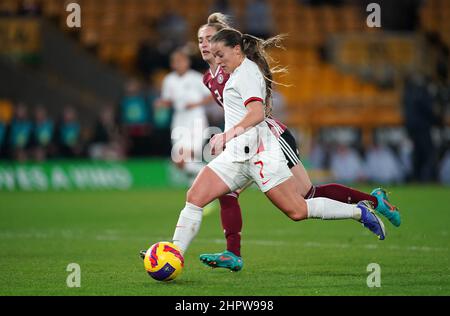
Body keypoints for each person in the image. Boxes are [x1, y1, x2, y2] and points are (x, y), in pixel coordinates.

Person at [145, 27, 398, 273]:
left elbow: (256, 113)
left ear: (236, 49)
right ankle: (175, 254)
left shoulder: (247, 74)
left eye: (220, 54)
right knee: (195, 196)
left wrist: (226, 134)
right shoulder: (230, 73)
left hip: (260, 152)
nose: (217, 59)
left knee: (298, 209)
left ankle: (360, 211)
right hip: (236, 154)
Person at [155, 48, 213, 183]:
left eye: (181, 61)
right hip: (179, 120)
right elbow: (168, 100)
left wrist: (196, 104)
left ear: (187, 62)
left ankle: (203, 186)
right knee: (179, 161)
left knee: (187, 156)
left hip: (195, 120)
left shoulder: (196, 78)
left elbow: (210, 96)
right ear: (172, 64)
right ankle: (206, 179)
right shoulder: (169, 80)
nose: (179, 64)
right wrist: (162, 103)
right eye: (176, 61)